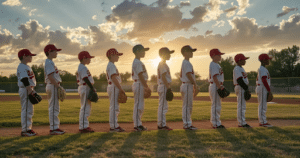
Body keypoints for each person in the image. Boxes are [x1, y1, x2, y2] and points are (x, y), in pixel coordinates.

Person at [44, 44, 66, 135]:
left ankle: (55, 127)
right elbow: (50, 76)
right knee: (53, 108)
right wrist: (58, 87)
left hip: (52, 85)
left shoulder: (50, 62)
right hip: (53, 85)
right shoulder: (49, 62)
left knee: (54, 107)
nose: (57, 52)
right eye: (55, 51)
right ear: (49, 52)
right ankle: (54, 128)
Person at [17, 49, 37, 136]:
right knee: (26, 110)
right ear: (24, 56)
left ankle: (28, 128)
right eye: (30, 55)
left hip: (28, 88)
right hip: (26, 89)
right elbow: (24, 79)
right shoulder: (21, 66)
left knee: (29, 110)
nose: (31, 57)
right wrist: (30, 91)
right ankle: (25, 130)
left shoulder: (26, 66)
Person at [131, 44, 151, 131]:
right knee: (139, 105)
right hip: (139, 84)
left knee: (140, 105)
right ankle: (137, 125)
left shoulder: (138, 61)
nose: (144, 52)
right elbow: (140, 75)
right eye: (143, 51)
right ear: (138, 52)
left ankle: (138, 124)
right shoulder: (137, 62)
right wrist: (146, 87)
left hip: (139, 84)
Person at [106, 48, 126, 132]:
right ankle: (114, 126)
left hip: (113, 86)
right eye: (117, 55)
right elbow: (113, 77)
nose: (118, 57)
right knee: (114, 107)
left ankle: (114, 125)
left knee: (114, 107)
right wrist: (121, 89)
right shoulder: (111, 65)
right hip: (114, 86)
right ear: (111, 56)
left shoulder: (111, 65)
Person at [76, 51, 96, 133]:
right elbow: (85, 78)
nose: (90, 59)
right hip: (85, 87)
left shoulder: (82, 66)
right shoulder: (82, 67)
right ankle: (83, 127)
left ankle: (85, 126)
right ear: (84, 58)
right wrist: (92, 88)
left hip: (85, 87)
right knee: (84, 108)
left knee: (86, 107)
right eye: (89, 58)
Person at [180, 45, 198, 130]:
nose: (192, 53)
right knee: (187, 106)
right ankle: (187, 124)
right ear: (185, 53)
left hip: (187, 85)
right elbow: (188, 74)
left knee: (187, 105)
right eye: (190, 51)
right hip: (187, 85)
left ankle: (187, 123)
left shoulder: (186, 62)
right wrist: (195, 85)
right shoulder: (186, 62)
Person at [157, 47, 174, 130]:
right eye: (168, 53)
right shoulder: (162, 64)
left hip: (163, 86)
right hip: (164, 86)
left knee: (163, 106)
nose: (170, 55)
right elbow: (163, 77)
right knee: (163, 107)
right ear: (163, 54)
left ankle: (161, 124)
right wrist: (168, 88)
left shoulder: (163, 64)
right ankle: (161, 125)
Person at [233, 54, 252, 128]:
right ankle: (241, 123)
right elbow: (239, 80)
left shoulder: (241, 68)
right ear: (239, 60)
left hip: (242, 87)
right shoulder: (237, 68)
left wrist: (247, 88)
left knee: (242, 106)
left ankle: (242, 122)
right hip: (240, 87)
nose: (245, 61)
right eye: (243, 59)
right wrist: (246, 88)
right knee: (241, 106)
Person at [209, 49, 226, 129]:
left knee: (217, 105)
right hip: (216, 85)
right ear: (213, 56)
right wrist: (219, 87)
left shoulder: (216, 64)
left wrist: (220, 86)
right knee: (216, 105)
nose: (220, 56)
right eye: (218, 55)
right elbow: (215, 77)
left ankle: (216, 122)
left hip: (217, 85)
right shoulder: (214, 65)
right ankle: (215, 123)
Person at [256, 53, 273, 127]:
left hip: (262, 87)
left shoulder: (263, 68)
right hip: (263, 87)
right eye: (267, 59)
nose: (269, 60)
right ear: (263, 60)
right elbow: (264, 80)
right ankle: (262, 122)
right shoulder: (262, 69)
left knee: (263, 105)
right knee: (262, 106)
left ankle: (263, 121)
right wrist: (269, 91)